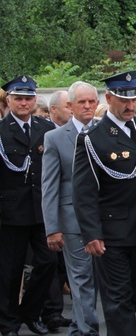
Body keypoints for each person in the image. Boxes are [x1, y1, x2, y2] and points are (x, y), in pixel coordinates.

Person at [72, 70, 136, 336]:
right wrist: (91, 233)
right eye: (123, 100)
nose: (131, 106)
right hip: (112, 233)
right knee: (118, 299)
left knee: (130, 296)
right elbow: (84, 191)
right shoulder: (93, 137)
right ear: (109, 98)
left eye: (135, 99)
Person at [41, 81, 101, 336]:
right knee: (81, 278)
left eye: (91, 102)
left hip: (103, 219)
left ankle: (79, 326)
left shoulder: (106, 132)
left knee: (95, 280)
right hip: (72, 221)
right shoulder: (54, 138)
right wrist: (52, 227)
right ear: (69, 106)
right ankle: (88, 330)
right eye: (81, 102)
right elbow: (50, 186)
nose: (87, 106)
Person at [0, 75, 58, 336]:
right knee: (9, 272)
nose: (24, 103)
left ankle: (30, 313)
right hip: (10, 211)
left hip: (42, 209)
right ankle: (8, 322)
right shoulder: (1, 132)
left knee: (47, 262)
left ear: (35, 100)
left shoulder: (46, 129)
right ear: (9, 100)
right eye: (18, 98)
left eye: (28, 98)